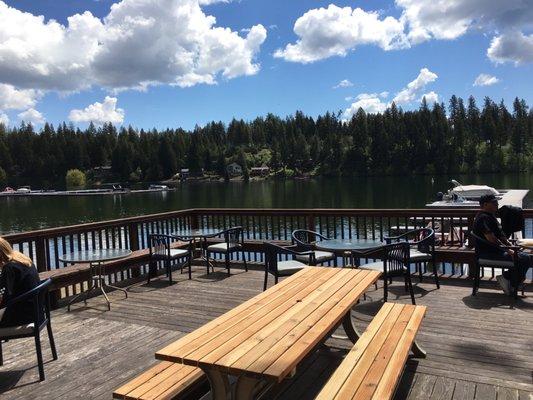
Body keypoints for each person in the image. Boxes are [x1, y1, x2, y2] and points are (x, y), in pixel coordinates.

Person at [472, 194, 531, 295]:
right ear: (485, 205)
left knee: (525, 257)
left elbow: (501, 236)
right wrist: (509, 250)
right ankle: (510, 282)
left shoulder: (491, 217)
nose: (497, 204)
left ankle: (509, 280)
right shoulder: (482, 218)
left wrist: (510, 246)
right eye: (494, 202)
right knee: (525, 258)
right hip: (487, 253)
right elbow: (492, 240)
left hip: (496, 250)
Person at [0, 237, 42, 327]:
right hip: (38, 312)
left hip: (24, 317)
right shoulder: (22, 259)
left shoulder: (8, 267)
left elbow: (5, 297)